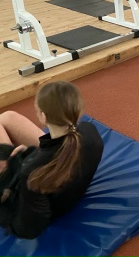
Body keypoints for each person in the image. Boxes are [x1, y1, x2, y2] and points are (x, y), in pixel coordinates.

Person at [0, 81, 104, 239]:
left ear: (43, 117)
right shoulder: (89, 131)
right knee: (8, 117)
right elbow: (46, 160)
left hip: (35, 201)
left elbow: (27, 228)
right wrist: (32, 155)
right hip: (50, 170)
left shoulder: (31, 173)